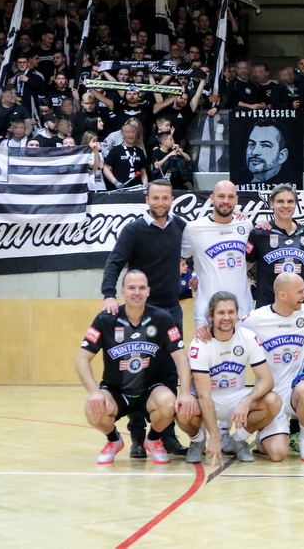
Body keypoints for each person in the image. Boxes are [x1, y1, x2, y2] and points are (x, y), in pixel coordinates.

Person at [100, 179, 188, 457]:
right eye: (156, 198)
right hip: (139, 311)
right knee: (136, 371)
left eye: (165, 198)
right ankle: (137, 438)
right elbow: (114, 263)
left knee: (170, 372)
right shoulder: (133, 229)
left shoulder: (181, 227)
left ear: (172, 199)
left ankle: (164, 436)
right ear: (147, 200)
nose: (161, 203)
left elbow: (196, 250)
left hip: (171, 310)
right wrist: (109, 295)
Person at [76, 270, 196, 465]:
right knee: (93, 409)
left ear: (148, 291)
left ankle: (153, 439)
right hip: (116, 390)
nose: (137, 293)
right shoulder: (105, 319)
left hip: (150, 390)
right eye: (131, 288)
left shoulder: (162, 318)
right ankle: (113, 440)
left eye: (141, 288)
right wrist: (93, 392)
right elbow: (81, 360)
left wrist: (184, 392)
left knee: (169, 403)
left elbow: (181, 358)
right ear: (122, 291)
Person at [178, 292, 282, 465]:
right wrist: (215, 437)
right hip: (209, 398)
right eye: (221, 313)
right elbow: (204, 395)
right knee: (182, 409)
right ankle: (197, 441)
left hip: (236, 396)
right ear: (211, 316)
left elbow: (267, 380)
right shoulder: (200, 344)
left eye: (231, 312)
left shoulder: (248, 338)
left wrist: (247, 401)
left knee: (273, 401)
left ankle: (237, 439)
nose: (226, 317)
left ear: (237, 314)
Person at [242, 274, 304, 461]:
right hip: (270, 398)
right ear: (282, 295)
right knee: (278, 455)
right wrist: (206, 332)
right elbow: (228, 329)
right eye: (299, 292)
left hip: (295, 394)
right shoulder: (255, 319)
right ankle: (262, 437)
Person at [181, 181, 254, 331]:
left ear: (236, 200)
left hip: (243, 310)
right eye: (221, 196)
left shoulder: (246, 225)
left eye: (230, 197)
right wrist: (193, 276)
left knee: (245, 354)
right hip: (207, 311)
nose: (226, 201)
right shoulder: (194, 228)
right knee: (209, 354)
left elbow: (250, 260)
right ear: (211, 198)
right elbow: (180, 258)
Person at [247, 184, 304, 307]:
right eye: (280, 201)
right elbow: (245, 266)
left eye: (290, 201)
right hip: (267, 307)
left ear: (295, 204)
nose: (286, 205)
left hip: (298, 307)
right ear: (271, 203)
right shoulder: (259, 233)